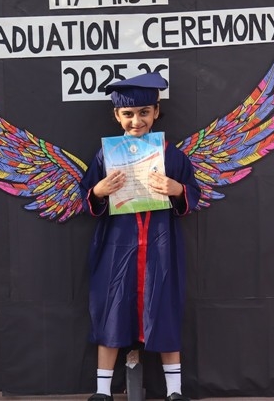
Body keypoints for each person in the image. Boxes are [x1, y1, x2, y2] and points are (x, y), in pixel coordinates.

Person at [79, 73, 201, 401]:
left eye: (144, 112)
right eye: (128, 114)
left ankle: (175, 391)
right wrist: (98, 191)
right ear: (117, 115)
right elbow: (86, 198)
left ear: (156, 111)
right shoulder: (106, 155)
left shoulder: (172, 156)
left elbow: (193, 194)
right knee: (112, 309)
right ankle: (102, 391)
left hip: (161, 243)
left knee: (164, 308)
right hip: (117, 245)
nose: (137, 120)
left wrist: (178, 189)